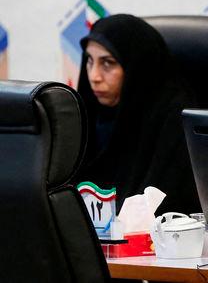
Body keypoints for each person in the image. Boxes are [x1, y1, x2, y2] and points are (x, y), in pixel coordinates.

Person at [75, 14, 200, 215]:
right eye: (90, 61)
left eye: (107, 63)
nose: (94, 76)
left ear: (136, 66)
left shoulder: (172, 116)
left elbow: (165, 204)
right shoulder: (86, 115)